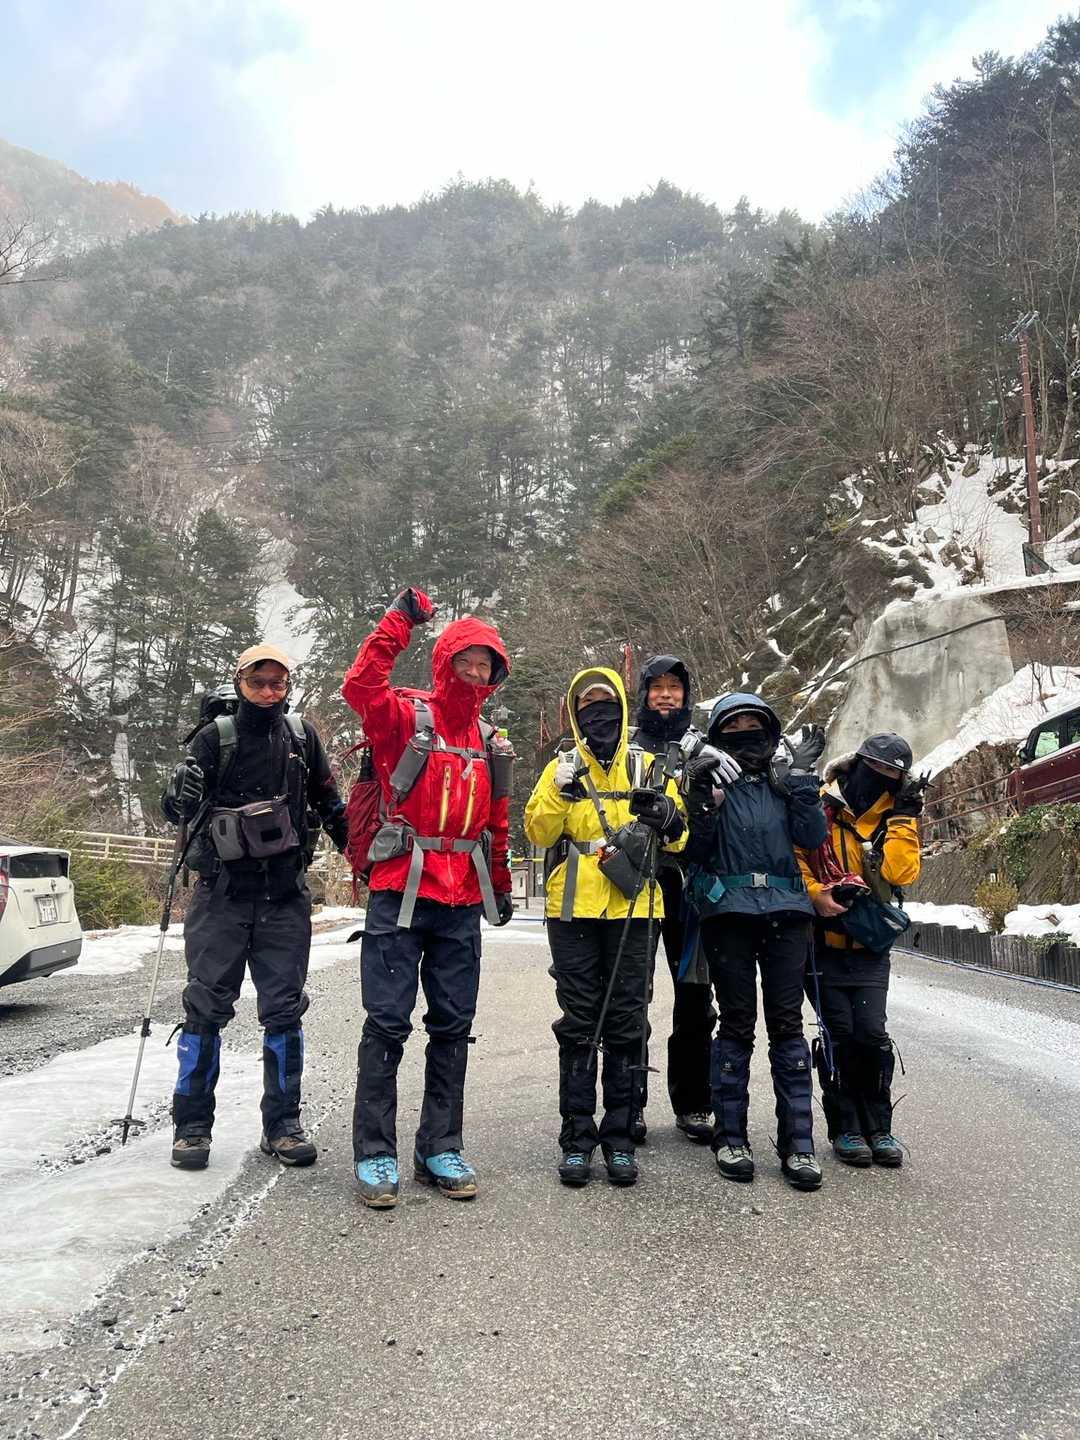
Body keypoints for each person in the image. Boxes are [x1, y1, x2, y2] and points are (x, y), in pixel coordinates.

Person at [343, 587, 514, 1208]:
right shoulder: (405, 719)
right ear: (445, 662)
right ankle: (375, 1152)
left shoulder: (489, 740)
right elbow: (360, 687)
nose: (476, 672)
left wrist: (499, 882)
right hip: (399, 893)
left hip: (462, 898)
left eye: (486, 665)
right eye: (466, 660)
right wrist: (398, 621)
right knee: (387, 1023)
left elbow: (496, 820)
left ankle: (440, 1146)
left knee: (453, 1026)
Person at [163, 643, 349, 1172]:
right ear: (240, 682)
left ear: (287, 686)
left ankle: (283, 1127)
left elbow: (329, 803)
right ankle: (192, 1129)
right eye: (258, 682)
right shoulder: (213, 738)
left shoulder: (301, 737)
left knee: (284, 1012)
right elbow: (177, 811)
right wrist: (176, 793)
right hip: (220, 895)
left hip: (284, 896)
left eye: (278, 683)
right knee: (204, 1009)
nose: (269, 692)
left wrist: (364, 859)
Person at [524, 668, 687, 1189]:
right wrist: (560, 795)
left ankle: (619, 1137)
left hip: (635, 908)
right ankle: (576, 1138)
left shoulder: (648, 765)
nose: (599, 714)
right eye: (587, 706)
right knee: (578, 1024)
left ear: (621, 705)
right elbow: (537, 832)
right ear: (576, 714)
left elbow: (679, 838)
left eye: (606, 703)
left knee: (626, 1022)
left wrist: (667, 816)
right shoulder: (561, 767)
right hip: (573, 909)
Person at [683, 693, 827, 1191]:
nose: (745, 731)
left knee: (787, 1026)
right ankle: (731, 1137)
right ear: (719, 733)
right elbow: (695, 849)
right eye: (734, 724)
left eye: (753, 723)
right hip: (729, 915)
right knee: (736, 1023)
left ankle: (799, 1144)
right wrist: (700, 796)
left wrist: (804, 780)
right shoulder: (710, 780)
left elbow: (812, 836)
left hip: (787, 913)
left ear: (770, 730)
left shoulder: (784, 781)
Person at [795, 732, 922, 1168]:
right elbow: (798, 855)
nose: (881, 777)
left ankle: (879, 1126)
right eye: (876, 767)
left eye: (892, 773)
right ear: (857, 764)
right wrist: (815, 894)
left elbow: (900, 872)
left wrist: (903, 819)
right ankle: (845, 1127)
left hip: (869, 944)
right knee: (840, 1032)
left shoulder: (894, 815)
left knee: (871, 1033)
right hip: (823, 942)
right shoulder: (820, 805)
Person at [630, 654, 715, 1145]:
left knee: (696, 998)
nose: (666, 695)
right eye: (657, 686)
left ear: (686, 695)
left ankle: (694, 1102)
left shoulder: (703, 748)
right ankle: (629, 1102)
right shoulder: (625, 746)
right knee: (631, 996)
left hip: (689, 887)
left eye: (674, 687)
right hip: (637, 881)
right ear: (644, 693)